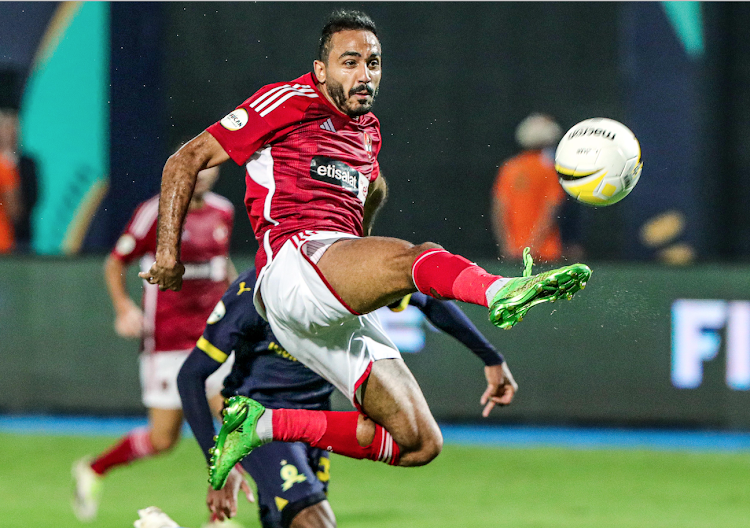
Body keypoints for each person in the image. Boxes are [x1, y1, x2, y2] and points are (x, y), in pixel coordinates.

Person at [139, 9, 591, 492]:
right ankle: (502, 290)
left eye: (372, 63)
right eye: (349, 62)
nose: (363, 74)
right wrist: (168, 256)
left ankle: (259, 426)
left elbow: (373, 188)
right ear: (321, 70)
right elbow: (184, 159)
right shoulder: (287, 100)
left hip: (324, 299)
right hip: (291, 267)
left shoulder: (367, 131)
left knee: (418, 442)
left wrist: (363, 256)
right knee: (417, 256)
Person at [177, 266, 508, 527]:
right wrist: (218, 463)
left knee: (285, 521)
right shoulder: (254, 292)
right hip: (256, 419)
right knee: (315, 520)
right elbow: (191, 374)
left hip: (316, 421)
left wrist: (490, 357)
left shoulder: (350, 280)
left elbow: (427, 298)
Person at [72, 166, 236, 522]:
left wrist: (241, 309)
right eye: (197, 167)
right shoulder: (157, 212)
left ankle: (220, 516)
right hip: (167, 340)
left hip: (213, 339)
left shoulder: (224, 210)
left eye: (210, 167)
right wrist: (123, 307)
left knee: (231, 421)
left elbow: (222, 269)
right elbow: (116, 261)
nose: (203, 175)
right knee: (163, 441)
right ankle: (94, 469)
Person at [491, 113, 566, 262]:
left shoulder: (510, 167)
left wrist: (506, 245)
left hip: (513, 252)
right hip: (544, 252)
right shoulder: (550, 169)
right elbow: (550, 210)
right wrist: (532, 246)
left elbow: (499, 209)